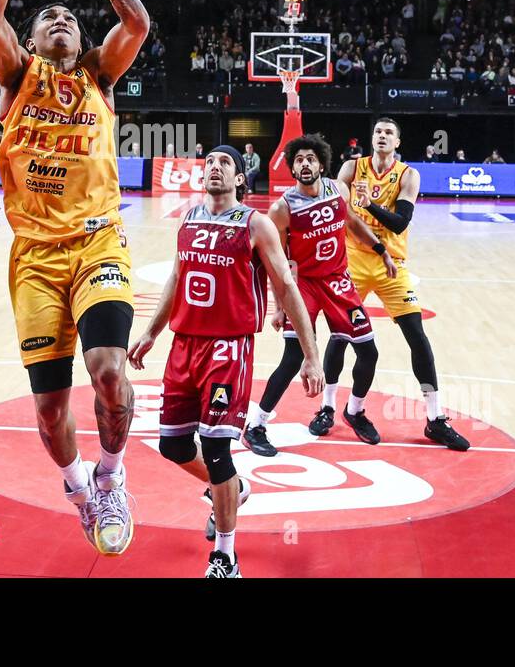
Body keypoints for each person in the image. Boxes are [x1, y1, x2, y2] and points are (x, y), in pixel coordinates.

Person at [0, 0, 149, 556]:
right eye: (49, 17)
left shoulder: (100, 77)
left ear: (81, 42)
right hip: (35, 261)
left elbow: (137, 20)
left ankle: (111, 478)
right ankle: (78, 487)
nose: (62, 21)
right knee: (50, 412)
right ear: (34, 38)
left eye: (70, 19)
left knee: (108, 372)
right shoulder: (17, 77)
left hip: (98, 245)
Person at [128, 146, 323, 577]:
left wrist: (311, 355)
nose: (214, 168)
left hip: (227, 348)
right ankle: (235, 490)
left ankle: (225, 556)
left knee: (216, 447)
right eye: (210, 162)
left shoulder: (257, 225)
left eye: (225, 164)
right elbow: (176, 280)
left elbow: (288, 289)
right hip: (184, 346)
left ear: (239, 179)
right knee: (173, 446)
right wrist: (151, 333)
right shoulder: (190, 218)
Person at [244, 134, 393, 455]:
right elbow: (275, 260)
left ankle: (353, 411)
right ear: (292, 168)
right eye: (299, 160)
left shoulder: (338, 190)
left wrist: (381, 249)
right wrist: (280, 305)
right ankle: (256, 424)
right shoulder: (281, 208)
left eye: (310, 158)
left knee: (369, 352)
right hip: (304, 287)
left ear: (322, 164)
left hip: (338, 281)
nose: (305, 164)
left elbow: (352, 223)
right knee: (293, 357)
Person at [337, 118, 470, 450]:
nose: (382, 136)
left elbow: (400, 224)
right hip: (354, 260)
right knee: (340, 335)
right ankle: (328, 408)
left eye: (388, 133)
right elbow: (338, 203)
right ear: (371, 139)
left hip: (391, 265)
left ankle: (435, 419)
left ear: (397, 142)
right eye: (377, 132)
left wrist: (369, 205)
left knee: (417, 337)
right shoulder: (352, 169)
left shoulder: (409, 174)